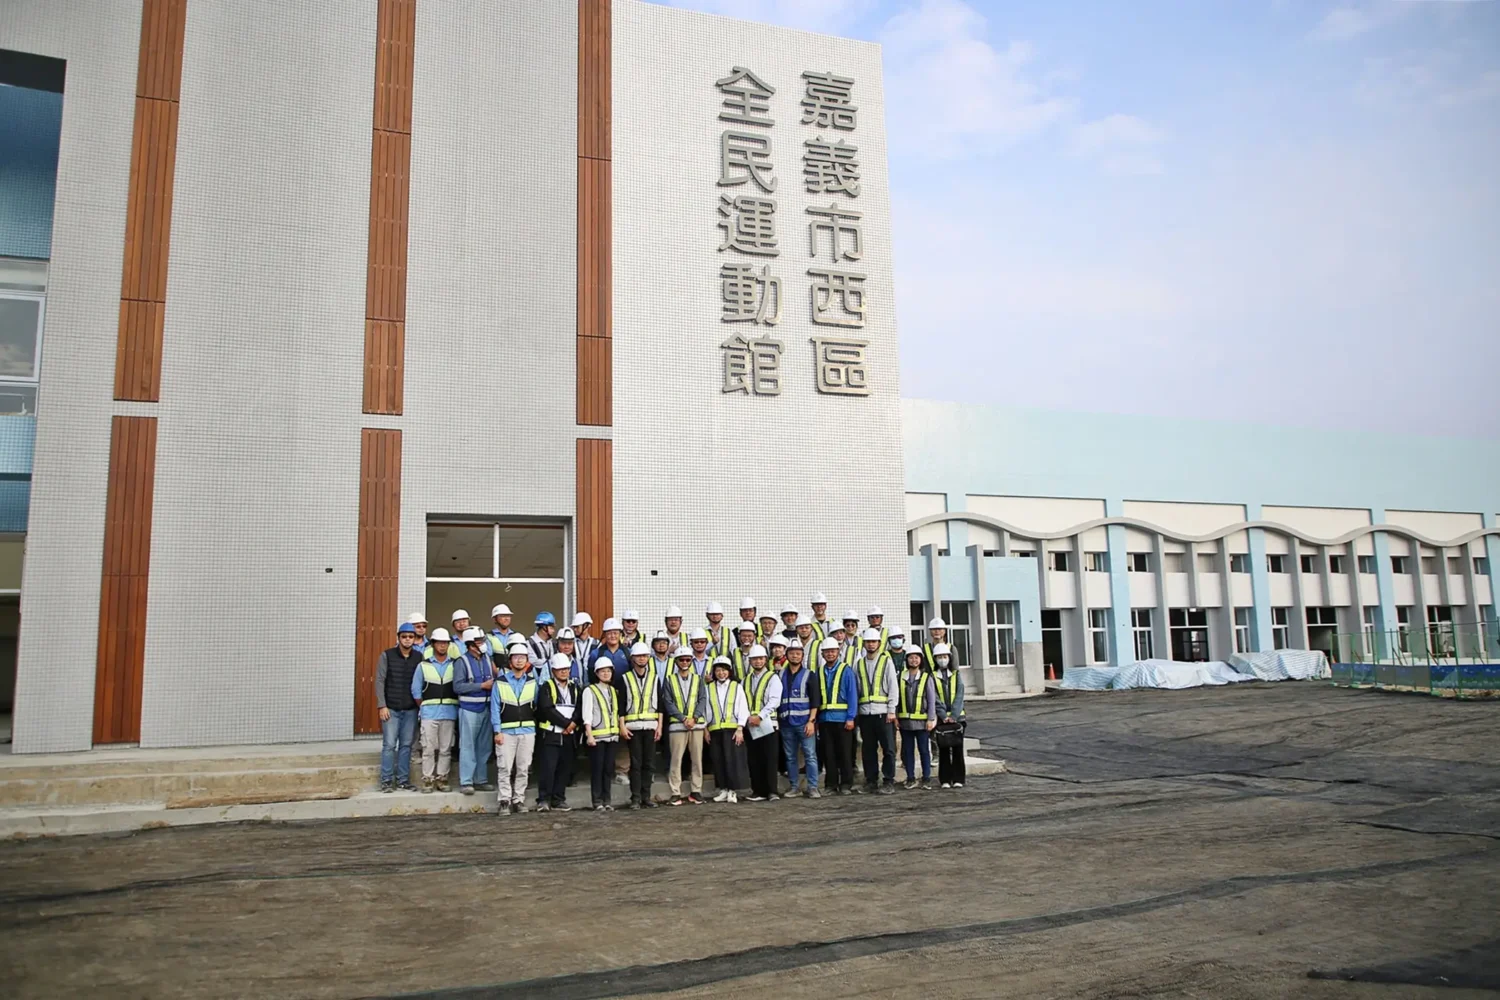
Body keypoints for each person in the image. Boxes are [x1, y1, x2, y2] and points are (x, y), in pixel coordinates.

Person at [491, 641, 539, 814]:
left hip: (527, 731)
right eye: (516, 657)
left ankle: (518, 799)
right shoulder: (500, 682)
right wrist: (497, 731)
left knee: (523, 768)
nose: (519, 660)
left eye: (522, 657)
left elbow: (536, 706)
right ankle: (504, 800)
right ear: (510, 661)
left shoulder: (533, 683)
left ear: (527, 661)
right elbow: (495, 708)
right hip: (506, 732)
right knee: (504, 767)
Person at [375, 621, 421, 792]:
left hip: (410, 709)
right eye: (404, 636)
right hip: (391, 709)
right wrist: (382, 705)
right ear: (398, 638)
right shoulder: (387, 656)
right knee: (389, 745)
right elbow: (380, 681)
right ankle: (386, 781)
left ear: (415, 639)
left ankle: (403, 780)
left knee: (406, 745)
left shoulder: (419, 658)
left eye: (410, 636)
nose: (407, 639)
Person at [412, 627, 459, 792]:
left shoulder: (455, 665)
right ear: (433, 644)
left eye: (445, 643)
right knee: (428, 748)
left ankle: (442, 778)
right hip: (429, 713)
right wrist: (424, 706)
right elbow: (416, 690)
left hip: (449, 712)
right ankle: (428, 779)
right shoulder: (423, 665)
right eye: (439, 643)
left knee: (446, 749)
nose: (442, 646)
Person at [453, 627, 498, 795]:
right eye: (479, 642)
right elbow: (457, 686)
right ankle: (466, 781)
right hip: (469, 709)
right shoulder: (461, 661)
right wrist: (481, 686)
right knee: (467, 746)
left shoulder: (487, 659)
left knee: (484, 747)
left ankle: (481, 780)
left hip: (487, 708)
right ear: (471, 645)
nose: (483, 644)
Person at [619, 640, 664, 809]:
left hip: (651, 727)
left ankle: (646, 797)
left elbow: (660, 705)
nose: (642, 659)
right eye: (638, 656)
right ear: (632, 658)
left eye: (644, 656)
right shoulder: (625, 678)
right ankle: (635, 798)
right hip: (633, 728)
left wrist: (659, 726)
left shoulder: (654, 678)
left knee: (649, 764)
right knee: (636, 764)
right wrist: (622, 726)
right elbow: (621, 704)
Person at [853, 627, 898, 795]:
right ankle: (871, 781)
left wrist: (892, 710)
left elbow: (893, 687)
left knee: (889, 749)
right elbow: (857, 689)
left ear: (879, 643)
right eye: (868, 642)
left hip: (883, 713)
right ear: (864, 644)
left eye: (873, 642)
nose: (871, 644)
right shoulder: (859, 664)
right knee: (868, 750)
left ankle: (888, 780)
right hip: (865, 714)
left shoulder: (886, 662)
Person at [535, 652, 580, 811]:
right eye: (560, 669)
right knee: (548, 768)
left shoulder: (575, 687)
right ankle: (544, 799)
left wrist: (573, 723)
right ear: (553, 670)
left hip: (569, 735)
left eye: (566, 669)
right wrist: (567, 724)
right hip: (551, 734)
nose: (564, 672)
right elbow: (547, 709)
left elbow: (579, 708)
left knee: (564, 768)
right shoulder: (546, 687)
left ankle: (558, 799)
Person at [663, 646, 707, 805]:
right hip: (677, 726)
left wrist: (694, 718)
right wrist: (683, 719)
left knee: (697, 760)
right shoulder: (669, 680)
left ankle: (696, 790)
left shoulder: (698, 679)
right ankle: (675, 792)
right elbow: (668, 702)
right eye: (681, 660)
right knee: (676, 760)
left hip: (696, 726)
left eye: (688, 659)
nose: (684, 662)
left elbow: (702, 699)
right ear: (676, 662)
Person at [779, 636, 821, 798]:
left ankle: (813, 787)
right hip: (786, 724)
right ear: (787, 655)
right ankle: (794, 787)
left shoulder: (810, 675)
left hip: (805, 723)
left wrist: (811, 721)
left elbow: (815, 701)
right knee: (790, 757)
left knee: (810, 756)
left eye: (798, 653)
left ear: (802, 656)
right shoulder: (780, 675)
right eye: (792, 653)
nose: (795, 656)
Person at [705, 656, 750, 803]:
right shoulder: (709, 687)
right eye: (718, 670)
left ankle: (732, 790)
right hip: (715, 729)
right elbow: (706, 709)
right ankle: (723, 789)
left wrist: (740, 728)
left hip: (732, 729)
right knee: (718, 760)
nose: (721, 673)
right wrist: (705, 729)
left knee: (732, 760)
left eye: (724, 670)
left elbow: (743, 707)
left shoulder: (736, 686)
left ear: (729, 671)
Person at [816, 637, 857, 794]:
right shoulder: (819, 672)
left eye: (832, 651)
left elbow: (852, 695)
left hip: (842, 720)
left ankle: (846, 784)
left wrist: (851, 717)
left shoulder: (846, 670)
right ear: (822, 654)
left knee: (845, 753)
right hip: (825, 720)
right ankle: (831, 785)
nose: (830, 654)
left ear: (838, 652)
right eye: (827, 652)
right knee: (828, 754)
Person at [742, 645, 782, 802]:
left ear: (765, 660)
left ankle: (772, 791)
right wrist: (748, 718)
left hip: (768, 724)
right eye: (754, 659)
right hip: (751, 725)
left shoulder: (773, 678)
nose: (757, 661)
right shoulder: (745, 680)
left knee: (770, 758)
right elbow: (742, 702)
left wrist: (760, 716)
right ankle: (757, 790)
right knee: (754, 759)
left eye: (760, 658)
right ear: (750, 661)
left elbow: (774, 700)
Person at [581, 659, 621, 811]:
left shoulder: (613, 691)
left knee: (608, 769)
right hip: (597, 737)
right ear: (596, 673)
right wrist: (589, 734)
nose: (606, 674)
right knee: (597, 770)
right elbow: (587, 714)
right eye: (602, 671)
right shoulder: (590, 690)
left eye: (608, 671)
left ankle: (607, 800)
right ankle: (597, 801)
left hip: (612, 736)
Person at [897, 648, 937, 790]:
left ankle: (926, 778)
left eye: (916, 657)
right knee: (908, 752)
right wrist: (896, 717)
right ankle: (910, 778)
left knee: (924, 751)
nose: (913, 660)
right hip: (905, 723)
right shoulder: (901, 677)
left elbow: (931, 700)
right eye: (911, 657)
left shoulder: (926, 677)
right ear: (907, 660)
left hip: (922, 723)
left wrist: (931, 719)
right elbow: (897, 699)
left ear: (921, 660)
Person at [932, 642, 966, 788]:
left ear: (949, 658)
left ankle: (959, 779)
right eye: (939, 657)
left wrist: (954, 715)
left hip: (958, 718)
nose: (942, 659)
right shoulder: (932, 676)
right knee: (944, 750)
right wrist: (943, 715)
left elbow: (960, 695)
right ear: (935, 659)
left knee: (958, 749)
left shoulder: (956, 675)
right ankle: (945, 779)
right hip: (942, 720)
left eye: (944, 656)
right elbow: (934, 697)